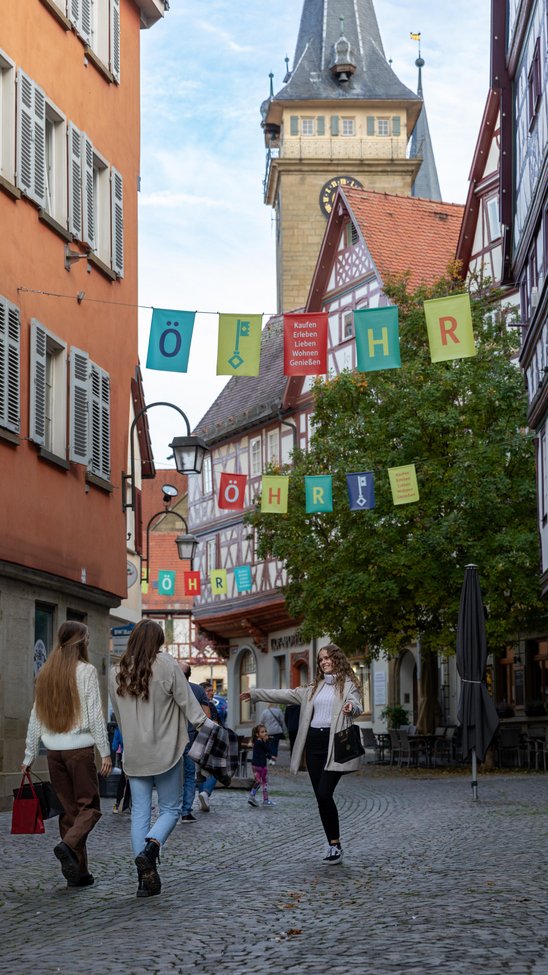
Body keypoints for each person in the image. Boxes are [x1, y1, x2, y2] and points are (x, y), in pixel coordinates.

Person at [109, 619, 212, 898]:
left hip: (135, 753)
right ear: (158, 642)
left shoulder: (116, 671)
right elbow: (189, 706)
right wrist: (210, 730)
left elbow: (118, 716)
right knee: (170, 809)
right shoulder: (167, 665)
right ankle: (152, 848)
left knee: (139, 813)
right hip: (166, 750)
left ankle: (144, 878)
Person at [241, 643, 362, 864]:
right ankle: (333, 844)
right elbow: (285, 694)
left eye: (328, 658)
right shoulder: (313, 688)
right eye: (321, 660)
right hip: (313, 745)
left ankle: (334, 844)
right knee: (320, 797)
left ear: (337, 659)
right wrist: (256, 693)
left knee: (325, 793)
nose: (324, 662)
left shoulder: (348, 685)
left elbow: (357, 705)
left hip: (334, 745)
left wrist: (350, 708)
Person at [21, 621, 112, 889]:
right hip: (79, 751)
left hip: (54, 753)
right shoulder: (86, 671)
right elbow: (95, 715)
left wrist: (28, 755)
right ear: (81, 641)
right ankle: (68, 845)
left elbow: (35, 717)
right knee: (90, 807)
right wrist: (105, 752)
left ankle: (79, 874)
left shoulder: (47, 672)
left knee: (70, 811)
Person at [179, 662, 210, 822]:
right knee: (190, 776)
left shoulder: (169, 688)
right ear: (189, 674)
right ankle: (185, 812)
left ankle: (170, 810)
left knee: (172, 776)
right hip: (191, 740)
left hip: (171, 740)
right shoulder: (198, 690)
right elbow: (207, 717)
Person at [247, 724, 275, 807]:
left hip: (256, 765)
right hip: (260, 766)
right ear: (257, 734)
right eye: (262, 732)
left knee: (260, 782)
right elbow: (268, 749)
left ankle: (255, 797)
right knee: (262, 782)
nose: (265, 733)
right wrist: (268, 741)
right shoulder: (260, 742)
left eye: (265, 731)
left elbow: (264, 753)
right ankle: (261, 799)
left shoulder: (258, 742)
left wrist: (270, 757)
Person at [111, 725, 131, 814]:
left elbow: (114, 747)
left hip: (125, 756)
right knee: (132, 780)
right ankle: (128, 804)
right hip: (137, 755)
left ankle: (119, 803)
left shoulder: (119, 729)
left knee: (123, 779)